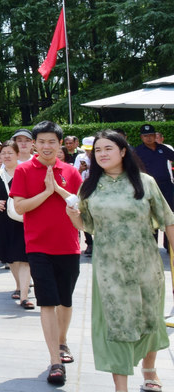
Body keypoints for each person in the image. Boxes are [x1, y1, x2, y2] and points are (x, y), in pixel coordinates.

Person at [66, 130, 174, 392]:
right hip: (109, 269)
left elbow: (168, 220)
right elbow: (87, 226)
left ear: (123, 151)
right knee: (117, 322)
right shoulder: (89, 186)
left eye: (108, 149)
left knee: (150, 317)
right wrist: (72, 215)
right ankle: (120, 386)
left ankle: (149, 370)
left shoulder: (145, 182)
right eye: (98, 150)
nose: (102, 154)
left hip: (147, 264)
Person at [10, 120, 82, 386]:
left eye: (52, 141)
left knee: (66, 300)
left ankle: (62, 342)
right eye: (41, 141)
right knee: (47, 302)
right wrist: (47, 191)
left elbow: (78, 205)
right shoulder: (25, 170)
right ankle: (55, 360)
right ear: (34, 144)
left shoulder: (71, 172)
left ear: (60, 143)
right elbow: (20, 207)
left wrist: (59, 190)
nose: (46, 146)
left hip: (68, 245)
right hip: (38, 246)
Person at [0, 141, 32, 309]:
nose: (6, 155)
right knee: (11, 257)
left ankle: (24, 296)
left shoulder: (26, 171)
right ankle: (20, 286)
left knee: (25, 257)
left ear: (17, 154)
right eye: (3, 153)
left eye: (10, 152)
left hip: (25, 218)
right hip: (5, 219)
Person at [134, 124, 174, 250]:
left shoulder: (162, 148)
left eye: (151, 135)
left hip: (166, 187)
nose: (149, 138)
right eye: (146, 136)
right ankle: (152, 246)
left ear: (155, 135)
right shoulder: (137, 151)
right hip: (148, 187)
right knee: (150, 216)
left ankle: (169, 245)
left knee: (169, 215)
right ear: (141, 137)